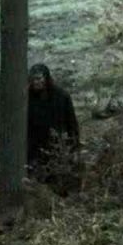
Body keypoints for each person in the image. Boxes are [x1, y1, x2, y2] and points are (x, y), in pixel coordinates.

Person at [26, 63, 80, 191]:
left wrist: (74, 146)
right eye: (33, 79)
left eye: (38, 78)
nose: (36, 82)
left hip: (55, 143)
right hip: (34, 145)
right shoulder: (26, 97)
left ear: (46, 78)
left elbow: (72, 123)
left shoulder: (61, 96)